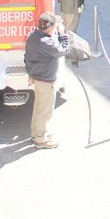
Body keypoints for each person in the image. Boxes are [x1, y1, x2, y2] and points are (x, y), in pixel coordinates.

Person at [24, 12, 70, 149]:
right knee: (45, 111)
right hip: (45, 79)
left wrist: (30, 73)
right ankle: (41, 140)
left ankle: (36, 134)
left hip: (37, 77)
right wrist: (62, 34)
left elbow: (27, 57)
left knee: (39, 108)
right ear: (50, 27)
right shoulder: (46, 42)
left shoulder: (33, 36)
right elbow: (63, 50)